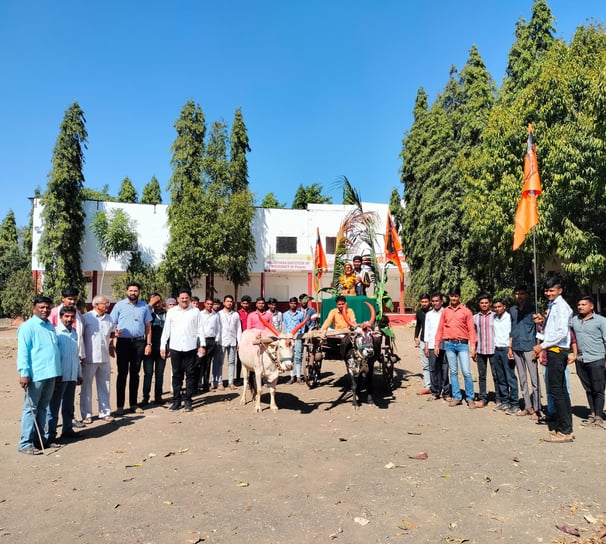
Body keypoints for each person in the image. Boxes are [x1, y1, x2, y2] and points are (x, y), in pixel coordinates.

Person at [16, 296, 62, 454]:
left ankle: (40, 440)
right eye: (41, 307)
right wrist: (24, 373)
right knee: (31, 409)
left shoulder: (50, 326)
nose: (45, 310)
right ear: (34, 308)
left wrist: (58, 372)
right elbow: (23, 352)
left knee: (43, 408)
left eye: (47, 307)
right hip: (36, 374)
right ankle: (25, 444)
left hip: (51, 374)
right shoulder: (27, 327)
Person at [532, 278, 574, 443]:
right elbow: (553, 328)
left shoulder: (562, 307)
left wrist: (542, 346)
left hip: (557, 351)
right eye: (546, 290)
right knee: (560, 390)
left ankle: (565, 431)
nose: (548, 293)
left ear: (559, 291)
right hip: (553, 350)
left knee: (557, 391)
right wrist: (543, 321)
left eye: (552, 290)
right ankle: (565, 427)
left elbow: (561, 332)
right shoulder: (552, 306)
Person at [110, 282, 153, 415]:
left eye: (135, 291)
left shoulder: (144, 306)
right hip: (123, 343)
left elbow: (148, 327)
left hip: (139, 343)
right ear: (126, 291)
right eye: (131, 290)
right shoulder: (119, 305)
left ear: (138, 292)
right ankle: (120, 406)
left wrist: (148, 344)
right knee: (122, 374)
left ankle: (134, 404)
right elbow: (112, 324)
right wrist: (112, 339)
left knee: (135, 373)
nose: (133, 293)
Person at [160, 288, 206, 412]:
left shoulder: (195, 311)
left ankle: (188, 400)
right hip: (175, 348)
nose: (184, 300)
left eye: (186, 298)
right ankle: (176, 401)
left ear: (189, 299)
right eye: (182, 298)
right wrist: (163, 346)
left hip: (190, 348)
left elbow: (200, 330)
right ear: (178, 299)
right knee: (176, 375)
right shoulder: (171, 312)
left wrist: (202, 345)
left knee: (190, 375)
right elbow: (166, 330)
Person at [435, 286, 477, 407]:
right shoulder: (445, 311)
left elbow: (471, 330)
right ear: (449, 296)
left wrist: (473, 346)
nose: (454, 298)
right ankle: (457, 397)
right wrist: (437, 344)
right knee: (453, 372)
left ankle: (470, 398)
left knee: (466, 372)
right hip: (449, 345)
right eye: (452, 296)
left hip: (462, 344)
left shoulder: (466, 311)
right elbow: (440, 328)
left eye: (456, 296)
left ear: (459, 297)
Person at [46, 306, 82, 444]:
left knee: (68, 406)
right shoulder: (55, 333)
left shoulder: (74, 333)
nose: (69, 319)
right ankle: (50, 436)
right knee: (53, 407)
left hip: (72, 375)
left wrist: (79, 373)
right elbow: (52, 356)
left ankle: (67, 430)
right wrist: (55, 375)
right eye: (66, 316)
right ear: (61, 317)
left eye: (72, 316)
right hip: (60, 377)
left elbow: (75, 355)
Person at [570, 295, 606, 428]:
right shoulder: (574, 321)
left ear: (591, 306)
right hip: (581, 360)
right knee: (588, 388)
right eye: (579, 305)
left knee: (598, 389)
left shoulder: (601, 321)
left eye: (583, 304)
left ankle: (599, 416)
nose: (580, 307)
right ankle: (592, 413)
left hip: (597, 359)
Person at [80, 295, 116, 422]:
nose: (107, 305)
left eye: (108, 303)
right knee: (86, 387)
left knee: (105, 385)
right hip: (89, 358)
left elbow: (112, 333)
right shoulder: (86, 318)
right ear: (96, 305)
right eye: (105, 303)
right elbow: (80, 336)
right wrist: (81, 355)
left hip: (104, 358)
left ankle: (105, 412)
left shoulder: (109, 318)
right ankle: (87, 414)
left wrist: (114, 338)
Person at [509, 285, 539, 418]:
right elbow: (512, 329)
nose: (519, 296)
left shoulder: (533, 309)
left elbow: (538, 329)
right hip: (517, 347)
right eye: (517, 293)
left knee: (534, 379)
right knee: (522, 379)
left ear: (526, 295)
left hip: (530, 347)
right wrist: (510, 348)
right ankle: (528, 406)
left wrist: (538, 348)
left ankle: (537, 408)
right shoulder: (513, 310)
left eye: (521, 293)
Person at [491, 298, 518, 414]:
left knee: (510, 377)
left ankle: (515, 403)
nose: (497, 309)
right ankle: (505, 401)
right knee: (501, 377)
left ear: (504, 307)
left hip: (507, 349)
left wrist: (510, 349)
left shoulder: (509, 318)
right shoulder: (494, 318)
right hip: (497, 349)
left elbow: (512, 334)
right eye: (495, 307)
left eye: (499, 307)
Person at [424, 293, 450, 401]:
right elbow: (427, 331)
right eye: (433, 301)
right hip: (431, 345)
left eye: (437, 301)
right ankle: (435, 392)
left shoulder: (446, 313)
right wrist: (426, 346)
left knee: (445, 368)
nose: (435, 303)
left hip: (444, 345)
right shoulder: (429, 314)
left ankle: (446, 392)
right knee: (433, 368)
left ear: (441, 302)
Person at [142, 294, 166, 405]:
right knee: (148, 373)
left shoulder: (166, 315)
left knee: (159, 374)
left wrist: (168, 347)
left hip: (162, 348)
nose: (157, 304)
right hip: (149, 347)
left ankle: (158, 397)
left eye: (158, 301)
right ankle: (145, 398)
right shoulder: (147, 314)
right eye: (154, 302)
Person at [472, 294, 495, 408]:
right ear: (479, 304)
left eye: (486, 303)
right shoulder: (475, 318)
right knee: (482, 376)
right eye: (482, 303)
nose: (484, 305)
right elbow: (473, 334)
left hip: (493, 349)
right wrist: (473, 349)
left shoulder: (495, 316)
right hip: (480, 350)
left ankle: (499, 399)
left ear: (490, 303)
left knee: (496, 375)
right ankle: (482, 398)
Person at [217, 295, 242, 391]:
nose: (229, 303)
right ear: (224, 303)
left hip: (232, 341)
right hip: (222, 341)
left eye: (231, 301)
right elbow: (217, 328)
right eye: (227, 301)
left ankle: (231, 382)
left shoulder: (236, 314)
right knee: (220, 362)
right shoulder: (219, 314)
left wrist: (239, 341)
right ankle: (220, 383)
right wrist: (217, 340)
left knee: (232, 362)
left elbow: (238, 328)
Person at [283, 297, 306, 384]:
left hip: (298, 338)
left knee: (298, 357)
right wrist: (286, 338)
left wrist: (301, 336)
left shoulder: (301, 314)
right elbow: (285, 326)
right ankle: (292, 377)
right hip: (289, 339)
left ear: (297, 304)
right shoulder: (285, 314)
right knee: (291, 357)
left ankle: (299, 377)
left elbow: (302, 326)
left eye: (295, 303)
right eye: (291, 303)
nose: (293, 305)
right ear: (289, 304)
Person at [200, 296, 221, 390]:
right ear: (204, 304)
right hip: (201, 341)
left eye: (211, 304)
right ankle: (198, 383)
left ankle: (206, 383)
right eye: (208, 304)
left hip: (211, 341)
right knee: (199, 361)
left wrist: (216, 340)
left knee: (208, 363)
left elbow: (218, 329)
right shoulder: (200, 314)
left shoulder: (215, 315)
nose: (209, 306)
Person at [414, 294, 432, 395]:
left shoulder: (435, 312)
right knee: (425, 365)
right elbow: (418, 325)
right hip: (422, 341)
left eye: (426, 302)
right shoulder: (419, 312)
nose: (424, 304)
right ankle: (427, 386)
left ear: (429, 302)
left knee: (435, 365)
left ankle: (438, 386)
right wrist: (415, 336)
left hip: (433, 341)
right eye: (422, 302)